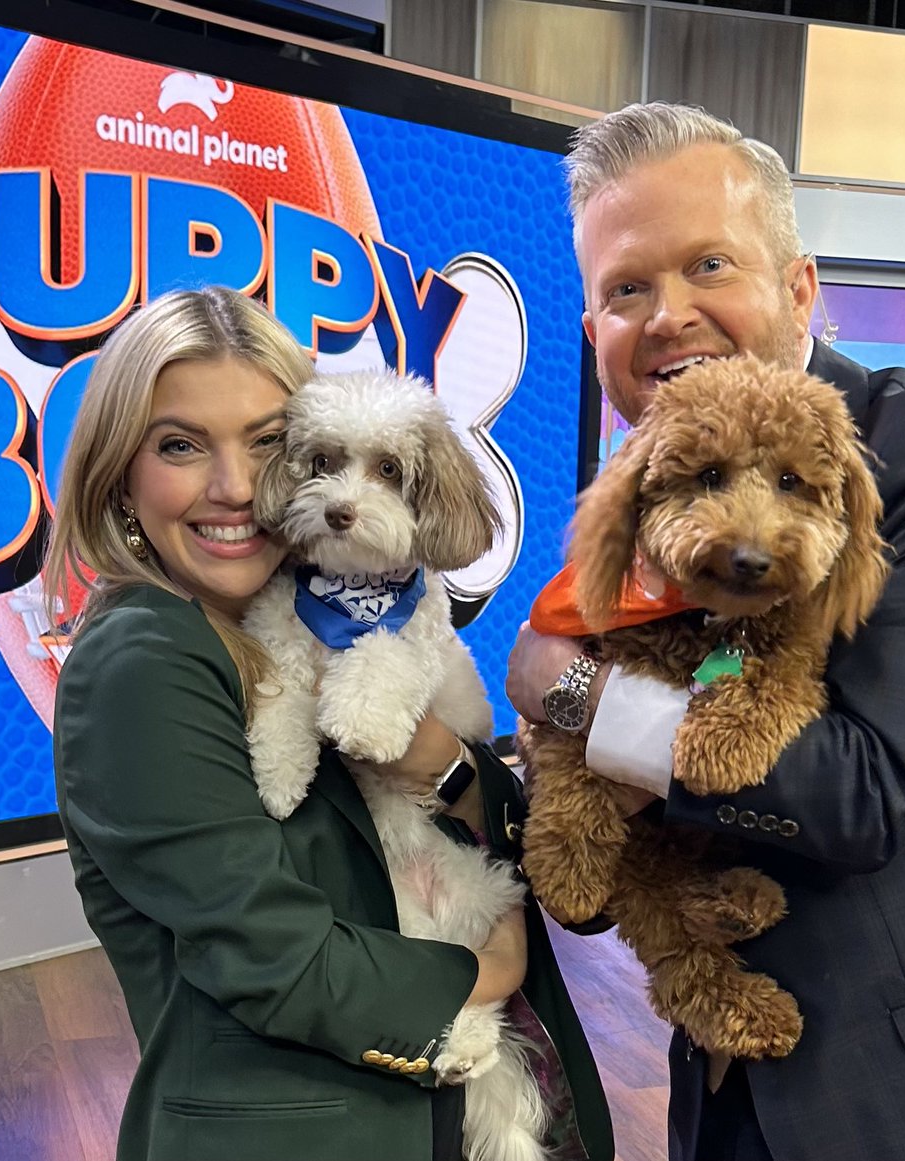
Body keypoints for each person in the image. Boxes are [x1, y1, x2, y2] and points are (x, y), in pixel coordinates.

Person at [506, 103, 905, 1161]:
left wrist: (575, 696)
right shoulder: (630, 512)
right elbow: (599, 884)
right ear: (594, 331)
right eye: (626, 289)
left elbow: (868, 791)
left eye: (709, 266)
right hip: (719, 1096)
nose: (668, 315)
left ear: (798, 289)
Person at [44, 286, 614, 1161]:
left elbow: (498, 811)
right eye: (181, 445)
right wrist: (491, 970)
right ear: (120, 468)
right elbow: (272, 954)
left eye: (266, 444)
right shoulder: (143, 658)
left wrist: (444, 763)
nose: (236, 488)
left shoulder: (295, 613)